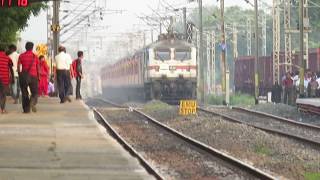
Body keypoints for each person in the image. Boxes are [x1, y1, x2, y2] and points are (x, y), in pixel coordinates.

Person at [17, 42, 40, 113]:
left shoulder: (21, 56)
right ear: (32, 48)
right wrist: (38, 77)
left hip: (24, 76)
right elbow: (38, 68)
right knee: (35, 92)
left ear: (25, 47)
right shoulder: (35, 56)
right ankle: (32, 102)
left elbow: (18, 67)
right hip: (33, 76)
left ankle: (26, 110)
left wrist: (20, 74)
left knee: (24, 93)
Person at [0, 45, 14, 113]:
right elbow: (11, 69)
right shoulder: (7, 58)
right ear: (4, 51)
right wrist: (13, 78)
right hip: (4, 78)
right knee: (3, 94)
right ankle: (2, 109)